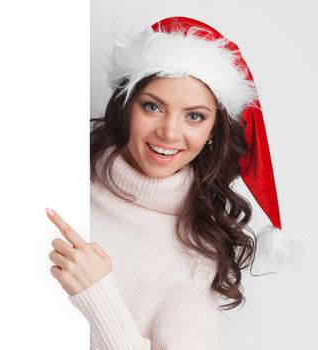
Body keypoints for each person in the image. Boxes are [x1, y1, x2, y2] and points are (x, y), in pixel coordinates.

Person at [45, 16, 290, 349]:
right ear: (127, 105)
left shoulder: (192, 254)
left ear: (212, 131)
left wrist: (98, 297)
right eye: (153, 107)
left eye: (194, 116)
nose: (169, 133)